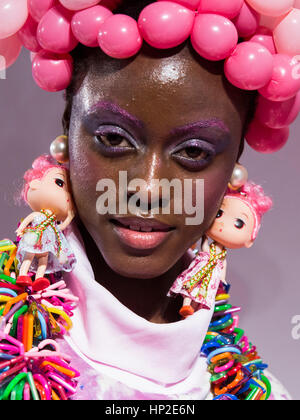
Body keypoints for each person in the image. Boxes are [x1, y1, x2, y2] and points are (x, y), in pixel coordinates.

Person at [0, 0, 298, 400]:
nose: (148, 188)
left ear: (234, 167)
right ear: (68, 132)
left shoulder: (258, 391)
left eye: (193, 151)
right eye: (113, 138)